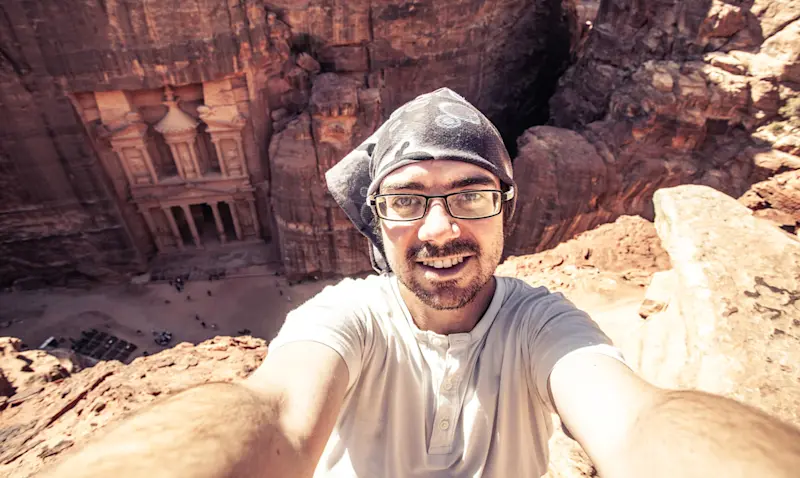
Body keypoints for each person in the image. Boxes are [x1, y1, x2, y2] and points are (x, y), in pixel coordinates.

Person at [41, 89, 800, 478]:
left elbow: (638, 423)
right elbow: (270, 414)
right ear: (375, 223)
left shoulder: (542, 324)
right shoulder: (344, 317)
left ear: (507, 214)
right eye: (407, 202)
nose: (439, 229)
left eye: (470, 196)